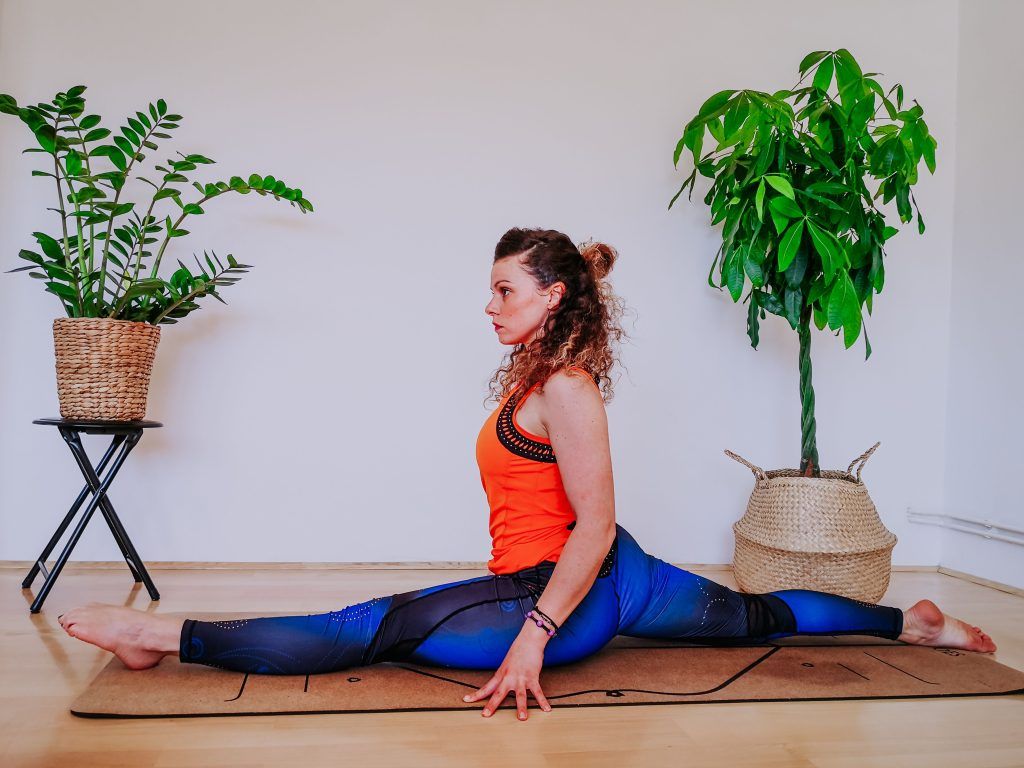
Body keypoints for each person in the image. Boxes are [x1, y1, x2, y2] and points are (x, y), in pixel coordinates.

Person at [58, 227, 997, 721]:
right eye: (492, 288)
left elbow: (591, 525)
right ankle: (909, 619)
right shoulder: (534, 379)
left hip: (580, 586)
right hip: (600, 578)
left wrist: (533, 638)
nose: (489, 304)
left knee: (374, 628)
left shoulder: (571, 389)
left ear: (551, 297)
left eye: (504, 288)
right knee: (755, 615)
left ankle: (161, 634)